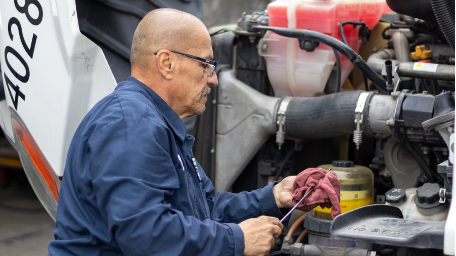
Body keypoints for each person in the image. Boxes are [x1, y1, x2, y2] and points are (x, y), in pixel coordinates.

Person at [48, 9, 314, 256]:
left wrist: (274, 196)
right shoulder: (131, 124)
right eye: (205, 64)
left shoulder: (155, 122)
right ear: (166, 63)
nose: (214, 78)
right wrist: (237, 239)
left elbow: (203, 211)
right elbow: (145, 234)